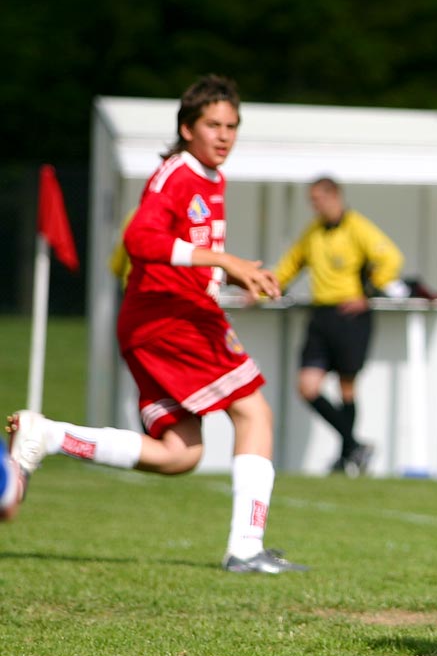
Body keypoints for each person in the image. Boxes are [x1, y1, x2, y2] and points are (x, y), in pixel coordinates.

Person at [5, 75, 307, 573]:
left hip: (158, 317)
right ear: (187, 128)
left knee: (179, 454)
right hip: (173, 317)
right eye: (213, 124)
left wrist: (227, 275)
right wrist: (226, 260)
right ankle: (247, 549)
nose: (224, 135)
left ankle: (49, 435)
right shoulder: (179, 173)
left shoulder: (209, 177)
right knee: (255, 414)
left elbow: (179, 250)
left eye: (232, 125)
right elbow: (142, 239)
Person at [273, 176, 408, 476]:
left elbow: (390, 258)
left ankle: (346, 453)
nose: (314, 205)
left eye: (317, 199)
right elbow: (290, 265)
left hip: (350, 317)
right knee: (307, 386)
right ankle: (354, 446)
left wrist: (368, 293)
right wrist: (261, 288)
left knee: (347, 386)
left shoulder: (357, 227)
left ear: (334, 196)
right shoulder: (314, 232)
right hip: (321, 316)